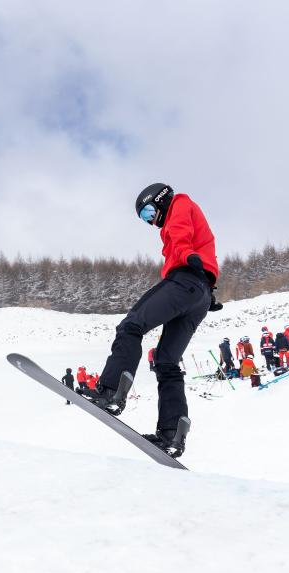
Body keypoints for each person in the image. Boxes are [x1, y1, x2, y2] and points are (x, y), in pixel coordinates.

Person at [85, 182, 220, 458]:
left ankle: (111, 392)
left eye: (148, 212)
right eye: (144, 219)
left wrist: (186, 255)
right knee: (166, 362)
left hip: (184, 281)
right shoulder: (176, 221)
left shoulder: (179, 203)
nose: (150, 221)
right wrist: (206, 287)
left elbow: (181, 236)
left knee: (131, 326)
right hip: (200, 295)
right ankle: (172, 435)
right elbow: (202, 251)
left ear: (160, 199)